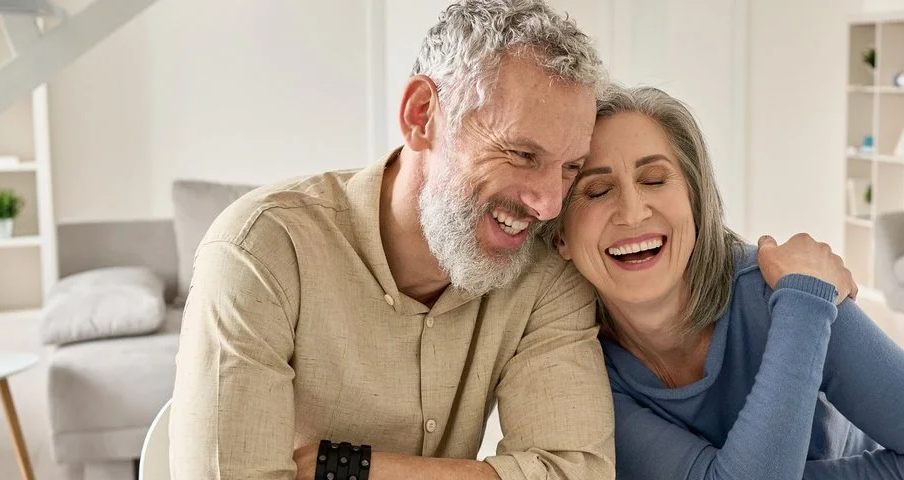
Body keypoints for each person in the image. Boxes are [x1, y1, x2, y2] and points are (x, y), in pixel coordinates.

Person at [169, 1, 617, 479]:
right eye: (523, 154)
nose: (548, 205)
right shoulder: (262, 249)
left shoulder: (544, 273)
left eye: (571, 167)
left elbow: (576, 472)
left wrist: (346, 469)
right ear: (421, 116)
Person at [539, 85, 904, 479]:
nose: (634, 211)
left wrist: (804, 307)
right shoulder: (579, 366)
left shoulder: (793, 292)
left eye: (656, 180)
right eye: (597, 191)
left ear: (697, 203)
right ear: (559, 234)